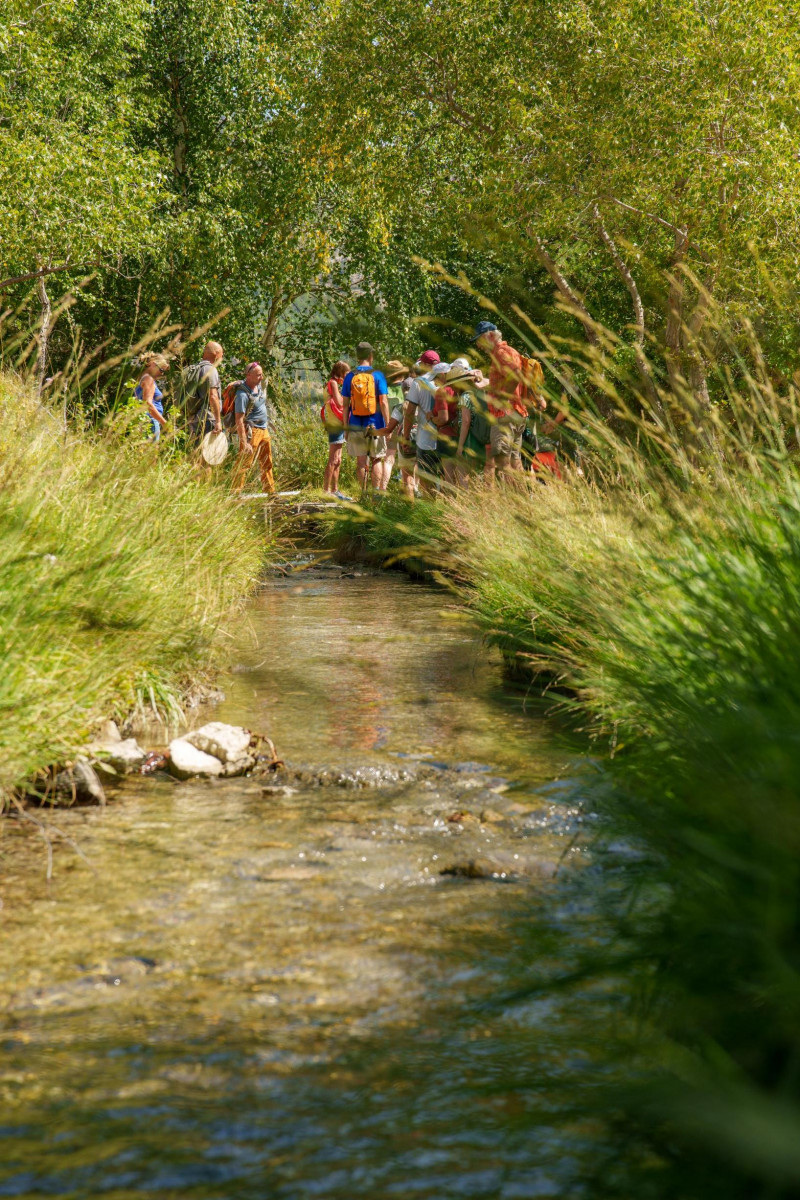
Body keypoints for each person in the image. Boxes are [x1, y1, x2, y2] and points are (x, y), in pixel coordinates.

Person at [471, 320, 546, 482]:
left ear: (490, 336)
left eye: (479, 340)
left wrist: (503, 399)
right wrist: (482, 382)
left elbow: (516, 374)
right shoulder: (506, 352)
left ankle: (515, 500)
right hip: (516, 414)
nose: (478, 345)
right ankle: (522, 501)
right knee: (514, 461)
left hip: (505, 415)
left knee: (502, 462)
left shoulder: (500, 352)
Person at [341, 342, 390, 491]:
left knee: (361, 461)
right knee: (376, 460)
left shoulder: (350, 376)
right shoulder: (377, 375)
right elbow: (383, 402)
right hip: (375, 424)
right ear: (370, 356)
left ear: (357, 357)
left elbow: (345, 405)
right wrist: (388, 426)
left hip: (355, 423)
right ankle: (376, 494)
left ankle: (363, 495)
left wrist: (345, 428)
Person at [403, 351, 449, 495]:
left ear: (426, 365)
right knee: (447, 477)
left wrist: (405, 437)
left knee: (426, 478)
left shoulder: (418, 383)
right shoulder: (447, 380)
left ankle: (429, 513)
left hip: (425, 439)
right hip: (448, 436)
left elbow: (410, 412)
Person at [233, 362, 275, 493]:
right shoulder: (242, 394)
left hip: (264, 430)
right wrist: (244, 442)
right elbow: (239, 419)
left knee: (267, 462)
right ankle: (235, 493)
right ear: (248, 375)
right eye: (258, 375)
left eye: (262, 374)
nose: (261, 377)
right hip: (252, 431)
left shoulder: (258, 386)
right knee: (244, 463)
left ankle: (270, 491)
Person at [179, 341, 224, 444]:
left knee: (196, 450)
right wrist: (218, 421)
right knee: (208, 455)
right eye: (222, 353)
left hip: (194, 418)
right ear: (216, 354)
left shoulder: (195, 368)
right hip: (208, 420)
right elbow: (213, 396)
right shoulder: (211, 369)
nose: (222, 356)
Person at [379, 360, 409, 491]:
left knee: (388, 459)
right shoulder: (407, 388)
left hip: (388, 427)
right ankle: (408, 490)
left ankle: (382, 489)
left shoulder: (385, 389)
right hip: (404, 428)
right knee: (407, 461)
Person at [322, 360, 349, 496]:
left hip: (338, 424)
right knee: (333, 459)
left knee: (338, 459)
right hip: (335, 425)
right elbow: (339, 402)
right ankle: (327, 490)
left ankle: (335, 489)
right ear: (341, 373)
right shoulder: (332, 383)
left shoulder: (334, 384)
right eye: (346, 374)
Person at [135, 353, 170, 442]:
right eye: (161, 370)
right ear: (153, 364)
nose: (161, 374)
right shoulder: (149, 380)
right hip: (151, 421)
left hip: (143, 421)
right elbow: (148, 403)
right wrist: (164, 423)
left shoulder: (142, 378)